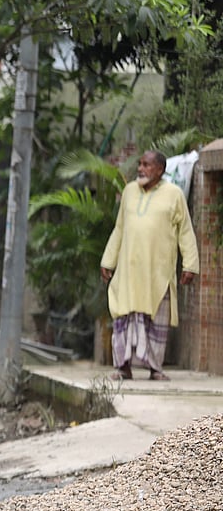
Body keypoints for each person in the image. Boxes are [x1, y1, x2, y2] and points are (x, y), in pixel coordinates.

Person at [99, 150, 199, 381]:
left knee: (157, 320)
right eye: (140, 164)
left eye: (146, 165)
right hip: (128, 272)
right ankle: (123, 367)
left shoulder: (174, 195)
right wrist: (108, 260)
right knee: (123, 317)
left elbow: (185, 231)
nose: (140, 169)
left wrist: (190, 265)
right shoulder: (129, 192)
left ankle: (156, 369)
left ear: (160, 170)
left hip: (158, 273)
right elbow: (120, 228)